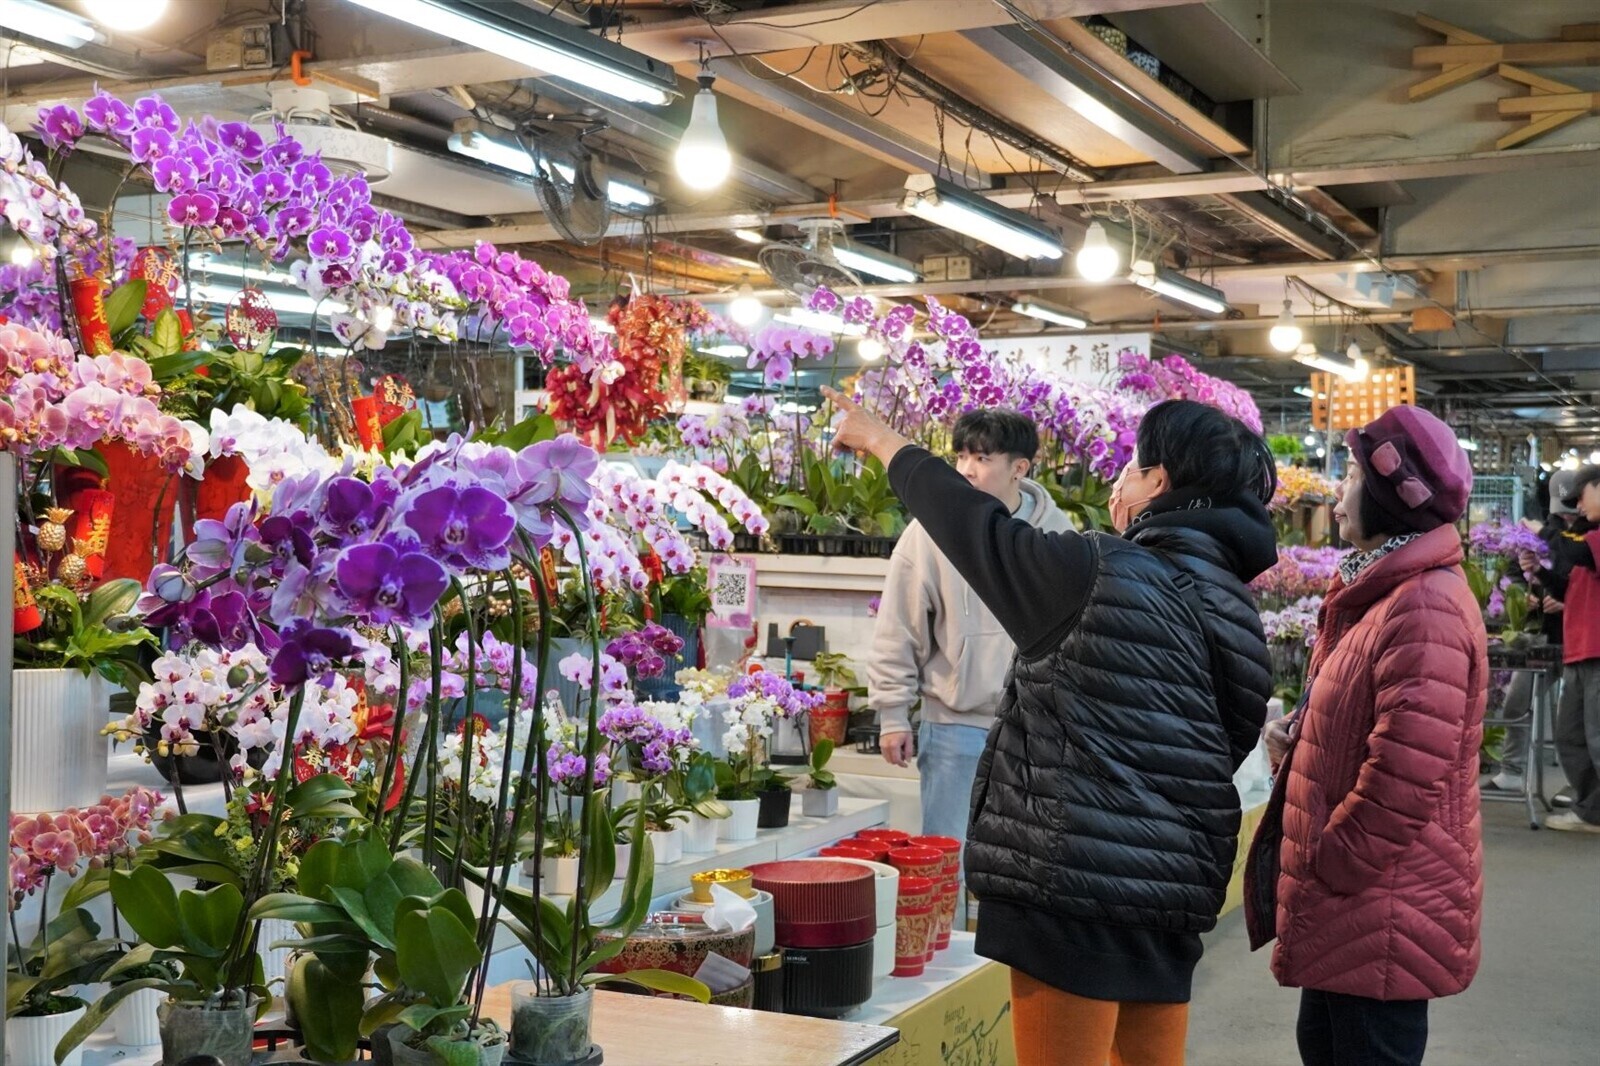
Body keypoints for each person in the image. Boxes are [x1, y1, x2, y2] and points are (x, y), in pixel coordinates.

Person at [826, 386, 1277, 1066]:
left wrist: (882, 440)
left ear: (1158, 482)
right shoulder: (1237, 613)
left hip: (1070, 888)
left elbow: (970, 525)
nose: (1120, 480)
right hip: (1171, 894)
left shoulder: (1095, 571)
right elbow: (1218, 750)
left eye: (1131, 465)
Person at [1244, 405, 1487, 1066]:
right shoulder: (1383, 591)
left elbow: (1408, 771)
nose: (1337, 489)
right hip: (1354, 905)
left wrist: (1336, 858)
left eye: (1350, 472)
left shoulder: (1424, 605)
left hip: (1379, 903)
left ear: (1389, 492)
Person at [868, 409, 1071, 865]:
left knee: (1028, 863)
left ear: (1019, 467)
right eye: (960, 455)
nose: (965, 469)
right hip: (953, 727)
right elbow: (897, 625)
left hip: (1034, 732)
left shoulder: (1059, 536)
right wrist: (893, 715)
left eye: (981, 457)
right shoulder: (928, 533)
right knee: (947, 860)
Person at [1485, 468, 1580, 794]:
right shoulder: (1539, 535)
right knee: (1516, 701)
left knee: (1579, 721)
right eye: (1562, 515)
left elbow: (1583, 584)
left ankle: (1581, 789)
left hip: (1583, 639)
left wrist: (1570, 602)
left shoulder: (1589, 538)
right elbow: (1512, 574)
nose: (1568, 520)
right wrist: (1523, 596)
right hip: (1546, 640)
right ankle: (1513, 770)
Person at [1540, 464, 1600, 832]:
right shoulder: (1587, 539)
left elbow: (1570, 550)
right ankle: (1592, 811)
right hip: (1578, 651)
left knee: (1596, 738)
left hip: (1596, 653)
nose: (1578, 503)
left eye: (1583, 493)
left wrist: (1540, 533)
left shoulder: (1589, 541)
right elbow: (1566, 589)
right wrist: (1539, 571)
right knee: (1570, 737)